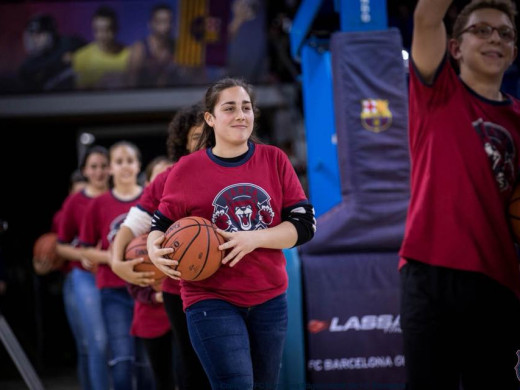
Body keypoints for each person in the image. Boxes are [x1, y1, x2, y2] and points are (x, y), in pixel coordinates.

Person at [147, 77, 316, 389]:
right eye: (230, 108)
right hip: (210, 297)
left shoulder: (274, 159)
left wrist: (256, 238)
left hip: (270, 298)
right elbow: (158, 226)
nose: (241, 114)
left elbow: (304, 226)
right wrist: (155, 249)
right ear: (210, 118)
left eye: (246, 107)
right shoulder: (186, 170)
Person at [399, 1, 520, 389]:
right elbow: (426, 16)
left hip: (497, 278)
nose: (494, 38)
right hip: (428, 268)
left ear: (514, 52)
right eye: (481, 30)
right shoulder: (435, 89)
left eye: (505, 33)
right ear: (455, 48)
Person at [111, 103, 210, 389]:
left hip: (230, 285)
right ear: (183, 142)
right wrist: (118, 263)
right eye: (195, 136)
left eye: (208, 134)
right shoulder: (168, 178)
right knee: (192, 368)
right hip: (178, 290)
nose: (203, 141)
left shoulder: (236, 171)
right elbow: (133, 224)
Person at [79, 141, 154, 390]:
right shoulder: (98, 205)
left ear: (138, 165)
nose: (125, 166)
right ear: (110, 168)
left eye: (130, 161)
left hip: (147, 289)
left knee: (147, 363)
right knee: (122, 360)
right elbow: (86, 247)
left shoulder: (150, 198)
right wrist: (114, 257)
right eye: (119, 162)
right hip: (114, 291)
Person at [53, 147, 110, 390]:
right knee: (96, 342)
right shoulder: (75, 201)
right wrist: (85, 255)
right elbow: (60, 246)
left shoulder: (121, 195)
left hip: (119, 275)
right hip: (85, 276)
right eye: (93, 166)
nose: (98, 171)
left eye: (102, 165)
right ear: (85, 170)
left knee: (124, 344)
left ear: (110, 168)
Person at [18, 13, 86, 92]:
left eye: (40, 34)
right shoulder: (27, 67)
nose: (35, 39)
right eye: (32, 35)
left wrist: (76, 58)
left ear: (51, 33)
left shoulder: (71, 44)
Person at [71, 6, 130, 90]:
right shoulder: (81, 57)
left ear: (116, 29)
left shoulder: (130, 55)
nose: (103, 35)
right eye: (97, 30)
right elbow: (80, 94)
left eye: (108, 30)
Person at [127, 3, 178, 88]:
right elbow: (130, 83)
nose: (167, 26)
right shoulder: (139, 50)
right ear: (151, 24)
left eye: (170, 21)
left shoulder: (177, 48)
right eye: (162, 22)